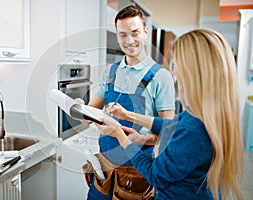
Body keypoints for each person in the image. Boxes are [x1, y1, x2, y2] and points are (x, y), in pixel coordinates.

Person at [98, 28, 244, 200]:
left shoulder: (196, 128)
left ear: (195, 71)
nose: (174, 73)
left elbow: (155, 174)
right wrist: (128, 115)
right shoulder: (207, 114)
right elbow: (171, 125)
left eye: (178, 65)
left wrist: (120, 136)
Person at [83, 5, 176, 200]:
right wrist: (78, 108)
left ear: (145, 32)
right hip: (103, 170)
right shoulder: (109, 71)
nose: (129, 40)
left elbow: (168, 132)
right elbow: (90, 113)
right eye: (122, 34)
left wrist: (140, 139)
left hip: (136, 173)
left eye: (134, 33)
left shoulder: (161, 77)